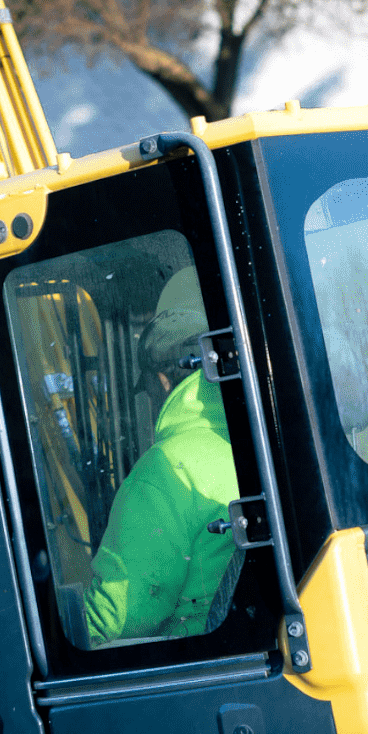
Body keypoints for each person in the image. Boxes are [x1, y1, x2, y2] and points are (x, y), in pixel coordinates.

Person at [83, 266, 240, 645]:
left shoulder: (165, 471)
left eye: (150, 388)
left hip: (195, 675)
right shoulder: (253, 451)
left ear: (164, 379)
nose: (150, 401)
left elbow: (117, 622)